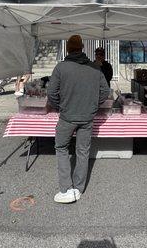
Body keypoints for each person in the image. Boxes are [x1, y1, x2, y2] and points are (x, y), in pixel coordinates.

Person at [47, 35, 110, 203]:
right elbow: (105, 91)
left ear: (68, 48)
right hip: (87, 116)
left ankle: (66, 189)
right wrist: (93, 105)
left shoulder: (61, 68)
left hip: (67, 116)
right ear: (82, 47)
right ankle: (78, 188)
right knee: (82, 151)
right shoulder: (95, 68)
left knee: (61, 148)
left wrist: (60, 106)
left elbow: (51, 93)